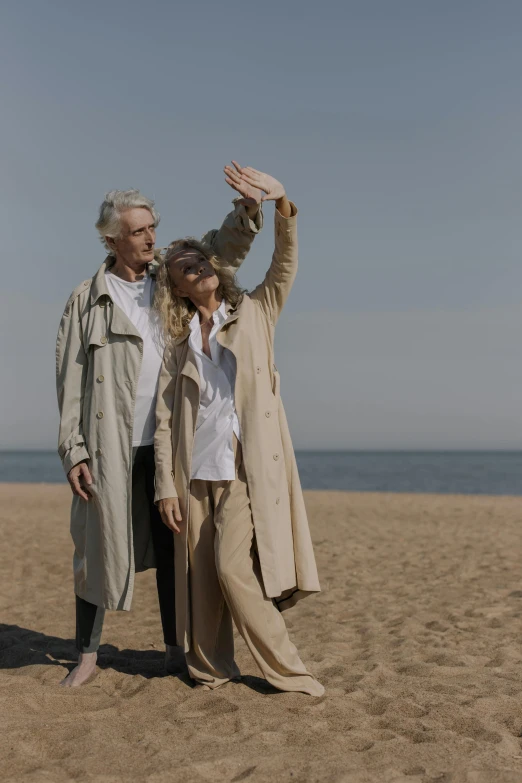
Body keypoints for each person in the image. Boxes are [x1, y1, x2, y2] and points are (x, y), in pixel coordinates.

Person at [56, 164, 263, 687]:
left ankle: (176, 650)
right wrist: (73, 449)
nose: (152, 237)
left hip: (171, 443)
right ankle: (86, 655)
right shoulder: (88, 300)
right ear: (112, 238)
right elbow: (70, 380)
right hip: (109, 445)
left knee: (175, 546)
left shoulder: (169, 281)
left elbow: (220, 249)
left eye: (154, 226)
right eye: (139, 230)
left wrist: (247, 212)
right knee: (97, 548)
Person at [153, 165, 324, 696]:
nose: (198, 267)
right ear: (175, 287)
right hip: (193, 471)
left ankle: (290, 670)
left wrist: (281, 203)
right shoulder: (178, 345)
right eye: (185, 266)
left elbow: (285, 263)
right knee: (201, 580)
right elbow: (163, 418)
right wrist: (164, 485)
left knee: (231, 571)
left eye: (201, 259)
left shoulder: (254, 310)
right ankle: (211, 669)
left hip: (244, 467)